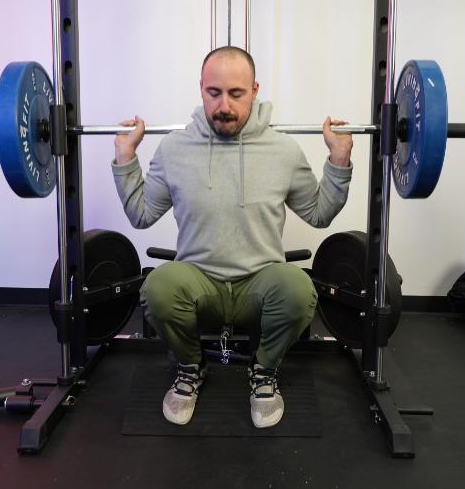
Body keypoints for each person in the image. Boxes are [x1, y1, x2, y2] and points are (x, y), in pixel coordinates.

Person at [111, 46, 353, 428]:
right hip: (198, 279)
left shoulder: (283, 150)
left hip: (259, 281)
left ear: (255, 90)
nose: (224, 105)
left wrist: (338, 161)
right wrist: (125, 158)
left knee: (298, 288)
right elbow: (141, 215)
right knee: (158, 287)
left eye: (236, 94)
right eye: (214, 93)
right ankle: (191, 367)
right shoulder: (174, 149)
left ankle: (264, 370)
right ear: (201, 89)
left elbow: (318, 214)